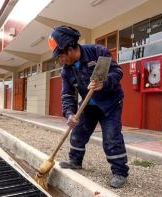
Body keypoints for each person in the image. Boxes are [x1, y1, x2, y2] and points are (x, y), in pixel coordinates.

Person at [47, 25, 129, 188]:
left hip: (110, 104)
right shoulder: (66, 71)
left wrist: (104, 83)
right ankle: (75, 160)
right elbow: (67, 95)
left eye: (61, 55)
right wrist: (69, 113)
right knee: (78, 132)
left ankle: (120, 172)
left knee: (111, 137)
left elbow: (117, 72)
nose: (60, 60)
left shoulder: (98, 52)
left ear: (70, 49)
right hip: (88, 106)